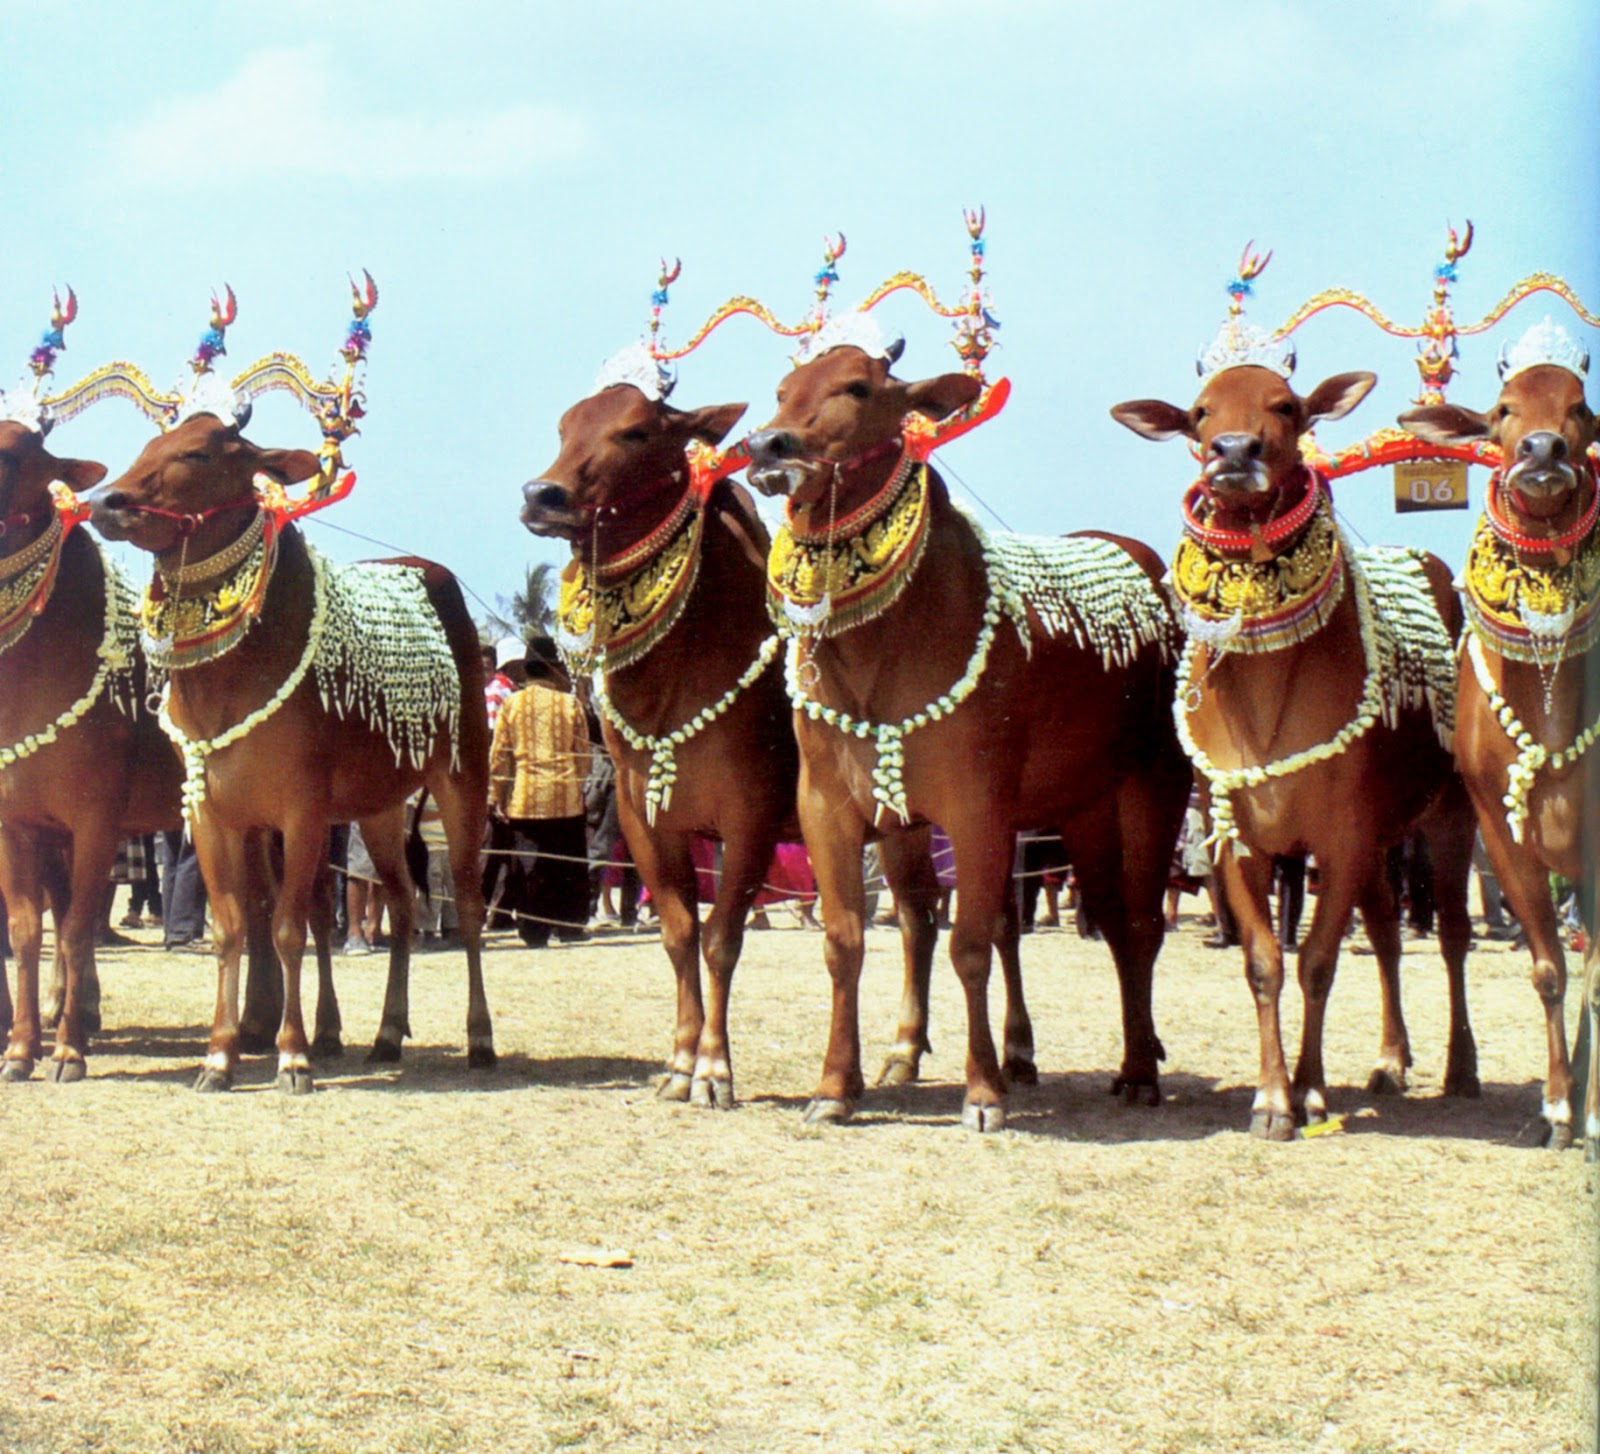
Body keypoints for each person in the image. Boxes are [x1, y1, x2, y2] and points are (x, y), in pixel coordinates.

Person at [490, 635, 592, 947]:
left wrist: (498, 795)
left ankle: (534, 930)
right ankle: (569, 926)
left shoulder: (511, 705)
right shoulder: (570, 703)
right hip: (566, 799)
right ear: (553, 669)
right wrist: (574, 784)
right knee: (567, 864)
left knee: (529, 866)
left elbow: (499, 757)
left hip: (526, 798)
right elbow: (584, 758)